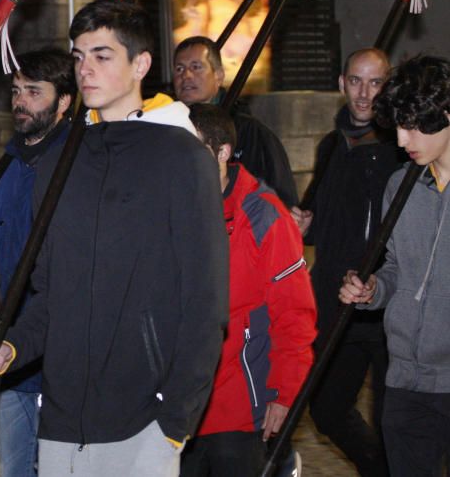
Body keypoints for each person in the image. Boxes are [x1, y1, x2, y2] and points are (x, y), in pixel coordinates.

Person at [0, 0, 229, 477]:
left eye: (102, 55)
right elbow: (53, 290)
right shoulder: (57, 160)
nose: (85, 69)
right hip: (63, 417)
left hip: (144, 419)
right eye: (78, 56)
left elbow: (205, 298)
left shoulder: (181, 157)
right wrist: (14, 346)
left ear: (141, 64)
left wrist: (175, 418)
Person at [182, 103, 317, 476]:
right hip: (180, 403)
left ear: (222, 152)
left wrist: (284, 394)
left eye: (191, 150)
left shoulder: (264, 216)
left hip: (239, 405)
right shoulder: (172, 210)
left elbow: (294, 313)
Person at [339, 55, 450, 477]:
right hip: (405, 379)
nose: (402, 140)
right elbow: (398, 268)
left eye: (413, 125)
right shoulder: (401, 184)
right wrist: (373, 289)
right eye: (397, 126)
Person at [292, 49, 399, 476]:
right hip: (338, 304)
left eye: (375, 83)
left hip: (389, 305)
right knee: (327, 409)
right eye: (356, 81)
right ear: (341, 83)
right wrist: (302, 223)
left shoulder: (401, 149)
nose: (364, 93)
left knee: (395, 421)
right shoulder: (333, 144)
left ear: (387, 86)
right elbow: (319, 218)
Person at [0, 47, 74, 477]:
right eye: (16, 91)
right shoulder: (11, 161)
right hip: (7, 352)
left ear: (64, 100)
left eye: (34, 92)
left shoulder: (73, 167)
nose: (20, 101)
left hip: (53, 357)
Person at [173, 36, 299, 207]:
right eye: (179, 69)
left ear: (219, 76)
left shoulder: (250, 133)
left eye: (196, 67)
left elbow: (280, 204)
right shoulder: (166, 132)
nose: (186, 75)